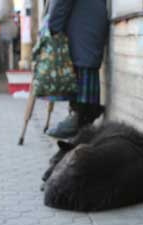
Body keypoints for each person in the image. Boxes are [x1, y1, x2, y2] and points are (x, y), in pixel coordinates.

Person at [46, 0, 109, 139]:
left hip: (82, 26)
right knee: (86, 69)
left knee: (82, 71)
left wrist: (53, 28)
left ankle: (79, 119)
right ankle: (83, 118)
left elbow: (60, 4)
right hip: (91, 23)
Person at [0, 0, 18, 73]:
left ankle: (4, 74)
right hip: (3, 29)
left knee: (3, 55)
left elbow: (2, 13)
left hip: (4, 30)